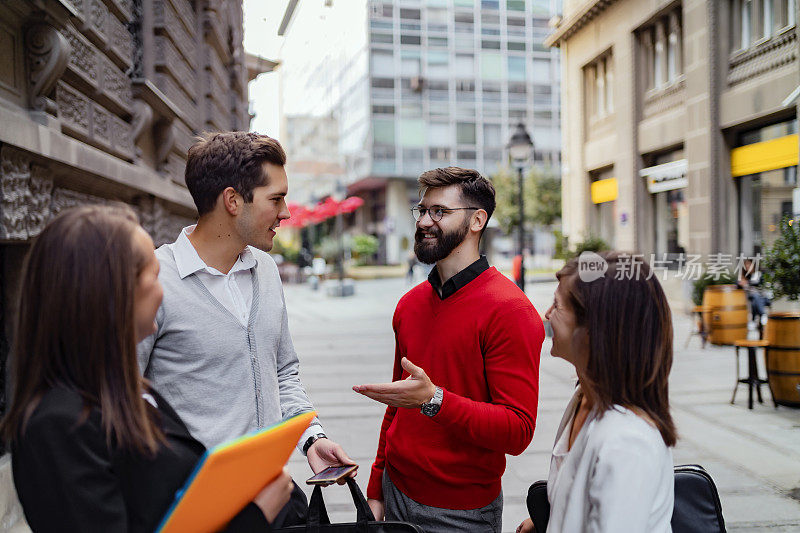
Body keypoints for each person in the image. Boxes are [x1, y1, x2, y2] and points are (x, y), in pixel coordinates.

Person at [1, 205, 293, 532]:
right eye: (154, 275)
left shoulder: (131, 388)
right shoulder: (58, 426)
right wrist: (253, 517)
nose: (163, 290)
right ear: (110, 292)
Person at [136, 132, 354, 524]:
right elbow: (123, 396)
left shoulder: (266, 270)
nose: (286, 212)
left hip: (277, 492)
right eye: (276, 198)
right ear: (233, 200)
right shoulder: (154, 280)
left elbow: (283, 372)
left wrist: (311, 438)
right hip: (201, 509)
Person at [354, 167, 544, 532]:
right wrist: (376, 487)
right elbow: (399, 404)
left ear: (477, 220)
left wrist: (435, 400)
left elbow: (517, 430)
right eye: (422, 210)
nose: (425, 220)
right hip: (395, 493)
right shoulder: (409, 305)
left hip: (460, 515)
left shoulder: (511, 310)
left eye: (439, 211)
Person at [517, 252, 676, 533]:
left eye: (557, 305)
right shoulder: (584, 398)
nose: (547, 314)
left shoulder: (626, 442)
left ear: (594, 328)